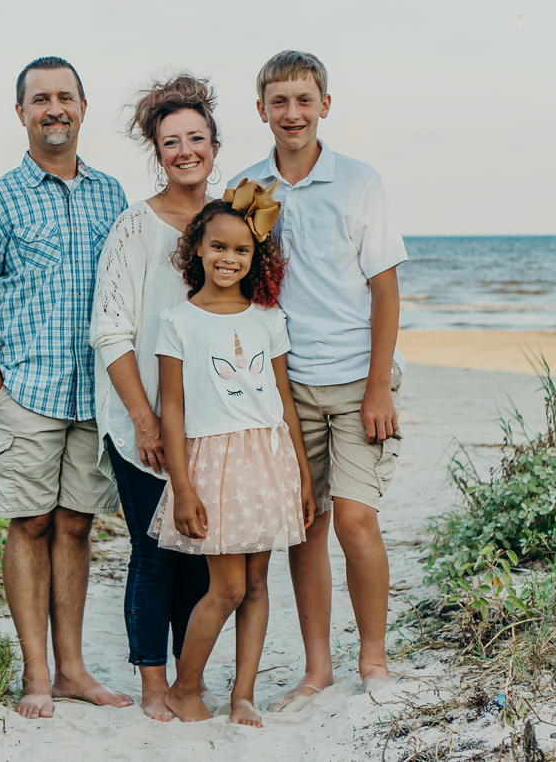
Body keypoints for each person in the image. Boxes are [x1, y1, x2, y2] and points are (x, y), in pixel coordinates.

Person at [228, 50, 408, 711]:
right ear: (262, 111)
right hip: (285, 385)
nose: (292, 113)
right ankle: (315, 667)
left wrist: (379, 385)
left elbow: (385, 292)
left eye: (304, 100)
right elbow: (236, 283)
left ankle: (375, 659)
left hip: (358, 378)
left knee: (356, 521)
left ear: (324, 105)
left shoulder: (360, 182)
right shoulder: (247, 188)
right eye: (279, 101)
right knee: (305, 522)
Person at [0, 56, 132, 720]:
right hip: (26, 391)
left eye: (65, 97)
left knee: (76, 526)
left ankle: (73, 668)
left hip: (92, 394)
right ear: (22, 112)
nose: (53, 108)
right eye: (40, 99)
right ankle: (36, 672)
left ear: (83, 107)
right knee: (28, 523)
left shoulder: (111, 195)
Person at [153, 191, 317, 727]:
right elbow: (171, 410)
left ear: (256, 257)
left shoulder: (268, 318)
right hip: (214, 465)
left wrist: (303, 477)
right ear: (197, 248)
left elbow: (284, 402)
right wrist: (181, 485)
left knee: (257, 583)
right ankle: (185, 687)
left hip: (268, 461)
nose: (230, 258)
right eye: (218, 246)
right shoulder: (178, 321)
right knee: (226, 587)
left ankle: (243, 693)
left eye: (242, 250)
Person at [91, 76, 219, 722]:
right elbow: (111, 329)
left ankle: (188, 678)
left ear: (215, 144)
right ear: (157, 150)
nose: (185, 150)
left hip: (214, 424)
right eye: (172, 141)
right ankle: (152, 684)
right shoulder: (133, 228)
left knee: (198, 552)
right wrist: (143, 419)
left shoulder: (229, 222)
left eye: (196, 137)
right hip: (142, 418)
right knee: (153, 553)